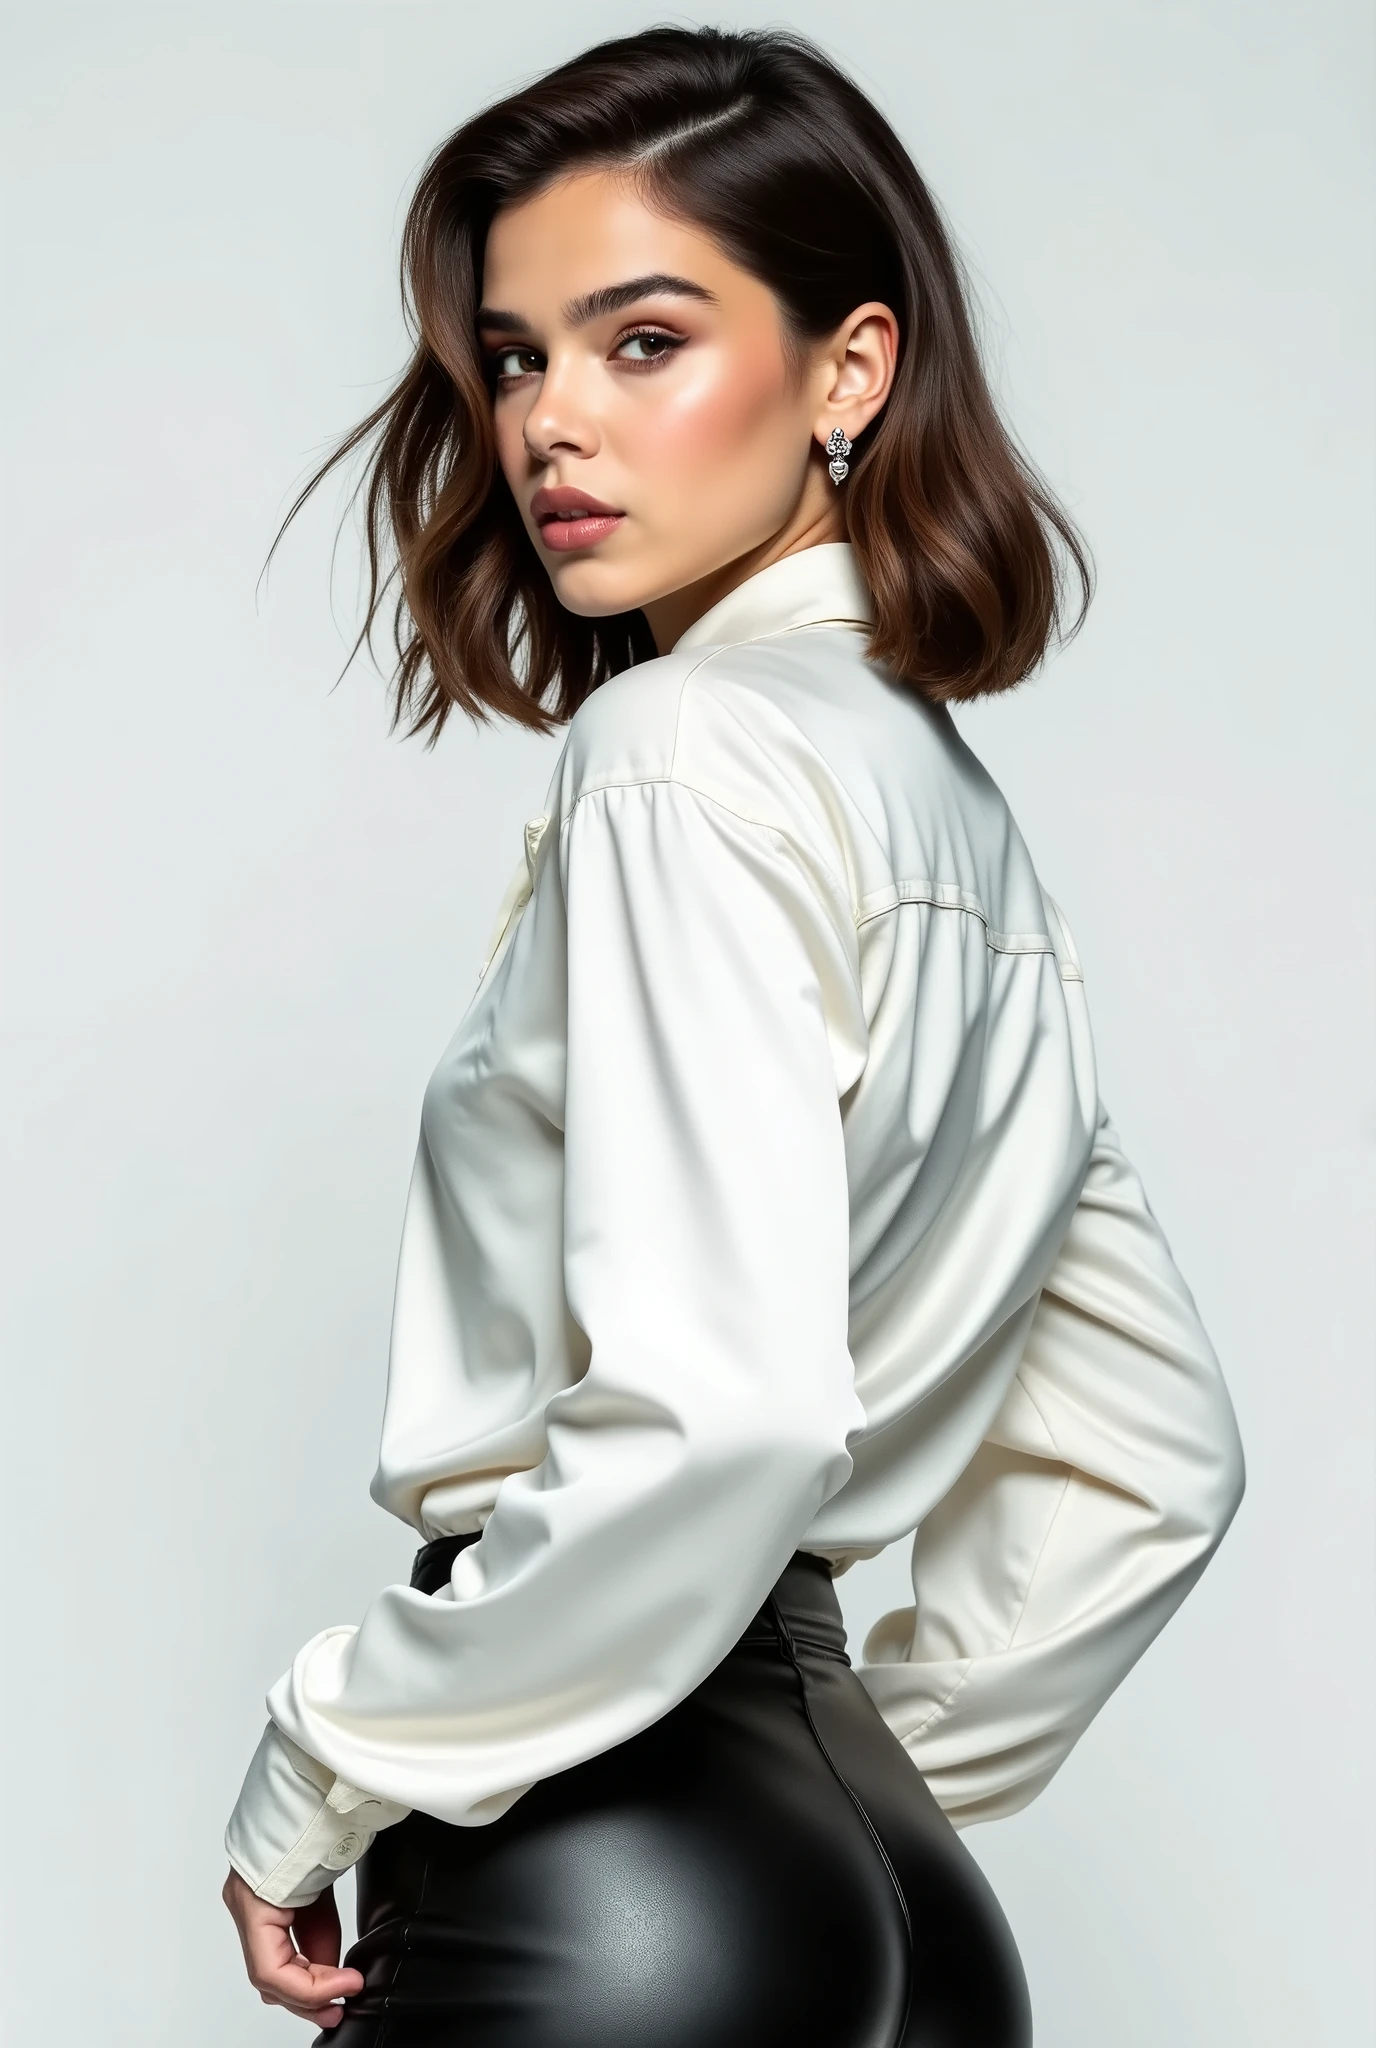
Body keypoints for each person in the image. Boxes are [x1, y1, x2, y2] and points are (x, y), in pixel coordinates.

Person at [221, 26, 1245, 2046]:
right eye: (517, 357)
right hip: (893, 1909)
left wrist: (317, 1773)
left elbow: (720, 1413)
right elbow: (1153, 1458)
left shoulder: (677, 752)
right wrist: (835, 1801)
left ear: (846, 371)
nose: (548, 426)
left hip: (613, 1869)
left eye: (643, 340)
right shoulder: (955, 826)